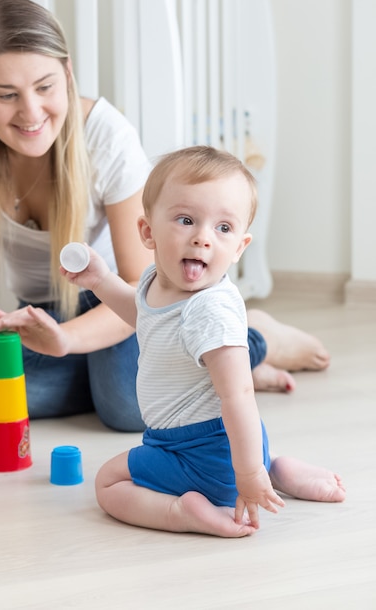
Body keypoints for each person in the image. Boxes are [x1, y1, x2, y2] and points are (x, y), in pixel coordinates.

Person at [0, 0, 329, 432]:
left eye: (45, 87)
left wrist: (66, 341)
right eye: (7, 95)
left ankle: (249, 338)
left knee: (127, 408)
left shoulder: (107, 138)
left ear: (67, 73)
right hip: (45, 307)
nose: (31, 112)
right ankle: (201, 366)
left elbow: (139, 286)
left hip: (125, 301)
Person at [54, 145, 346, 537]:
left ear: (240, 246)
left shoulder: (210, 311)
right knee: (245, 462)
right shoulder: (158, 282)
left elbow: (239, 395)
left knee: (108, 483)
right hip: (228, 446)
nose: (202, 239)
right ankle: (276, 469)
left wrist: (245, 474)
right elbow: (143, 318)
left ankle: (183, 511)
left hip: (205, 453)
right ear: (148, 231)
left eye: (223, 228)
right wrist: (99, 280)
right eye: (186, 220)